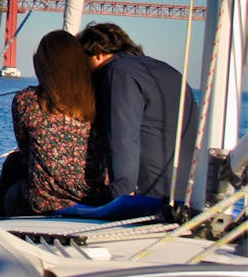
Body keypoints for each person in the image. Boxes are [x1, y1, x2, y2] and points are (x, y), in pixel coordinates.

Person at [0, 30, 108, 217]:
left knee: (13, 165)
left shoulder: (27, 100)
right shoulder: (100, 100)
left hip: (42, 204)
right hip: (93, 200)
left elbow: (26, 152)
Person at [77, 22, 197, 201]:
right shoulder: (165, 69)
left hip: (150, 197)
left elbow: (122, 136)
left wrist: (120, 194)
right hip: (186, 191)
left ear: (98, 53)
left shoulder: (118, 73)